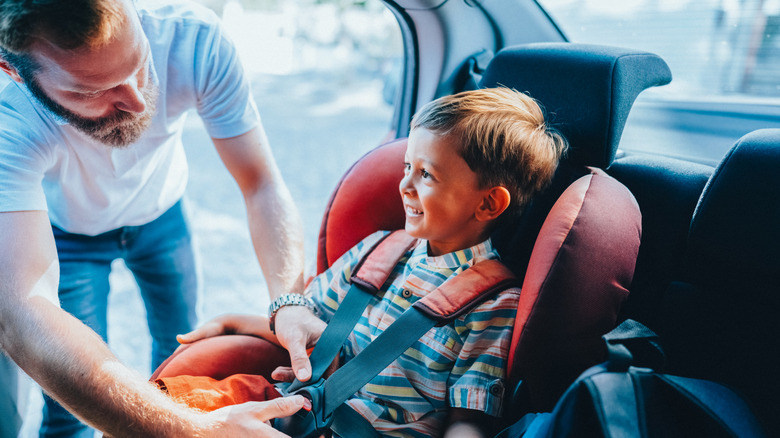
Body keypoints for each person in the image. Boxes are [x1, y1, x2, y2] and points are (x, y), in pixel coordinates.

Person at [161, 87, 569, 437]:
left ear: (488, 202)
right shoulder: (378, 250)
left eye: (427, 175)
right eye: (408, 166)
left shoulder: (494, 303)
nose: (404, 185)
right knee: (167, 406)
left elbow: (468, 420)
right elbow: (308, 328)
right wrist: (237, 322)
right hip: (294, 406)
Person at [0, 0, 310, 436]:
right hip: (69, 237)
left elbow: (261, 183)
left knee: (182, 352)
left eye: (140, 62)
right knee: (70, 408)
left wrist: (289, 301)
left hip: (163, 217)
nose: (135, 100)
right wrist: (197, 432)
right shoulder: (8, 119)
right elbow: (23, 317)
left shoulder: (195, 39)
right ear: (14, 72)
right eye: (91, 91)